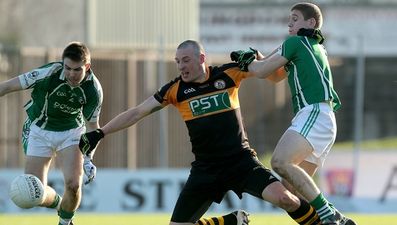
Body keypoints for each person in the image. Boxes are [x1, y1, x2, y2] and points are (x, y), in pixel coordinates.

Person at [79, 40, 323, 225]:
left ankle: (327, 221)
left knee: (286, 200)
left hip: (242, 162)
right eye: (177, 61)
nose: (181, 66)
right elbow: (136, 112)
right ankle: (227, 222)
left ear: (201, 58)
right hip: (206, 170)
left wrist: (257, 57)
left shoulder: (229, 74)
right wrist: (100, 132)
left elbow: (274, 75)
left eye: (185, 60)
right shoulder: (175, 90)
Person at [230, 2, 356, 225]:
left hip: (314, 113)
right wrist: (257, 58)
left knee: (279, 162)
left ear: (311, 23)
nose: (289, 23)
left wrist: (249, 62)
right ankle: (337, 220)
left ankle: (330, 215)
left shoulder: (295, 42)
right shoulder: (309, 44)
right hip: (322, 118)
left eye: (295, 18)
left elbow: (261, 71)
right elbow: (275, 74)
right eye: (290, 18)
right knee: (292, 193)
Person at [0, 42, 103, 225]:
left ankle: (65, 221)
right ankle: (58, 203)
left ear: (87, 67)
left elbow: (93, 126)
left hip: (71, 133)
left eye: (77, 70)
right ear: (62, 63)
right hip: (38, 131)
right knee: (35, 193)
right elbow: (7, 86)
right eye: (67, 68)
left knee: (73, 185)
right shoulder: (48, 73)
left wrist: (89, 158)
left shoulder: (93, 90)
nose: (71, 74)